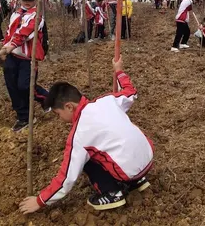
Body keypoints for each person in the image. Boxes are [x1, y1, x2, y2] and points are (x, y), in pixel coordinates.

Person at [19, 56, 154, 214]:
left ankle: (112, 193)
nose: (60, 119)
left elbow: (66, 178)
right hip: (148, 157)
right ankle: (136, 182)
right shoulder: (106, 100)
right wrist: (119, 71)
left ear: (69, 107)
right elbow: (130, 92)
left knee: (87, 159)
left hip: (129, 170)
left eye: (58, 113)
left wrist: (40, 200)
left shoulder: (79, 134)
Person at [0, 0, 49, 132]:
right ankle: (24, 117)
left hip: (28, 58)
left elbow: (25, 32)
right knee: (12, 86)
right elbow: (10, 32)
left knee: (25, 86)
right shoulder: (15, 14)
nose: (27, 2)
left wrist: (10, 46)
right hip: (12, 56)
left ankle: (47, 99)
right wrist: (6, 46)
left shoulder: (37, 17)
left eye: (30, 0)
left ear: (36, 0)